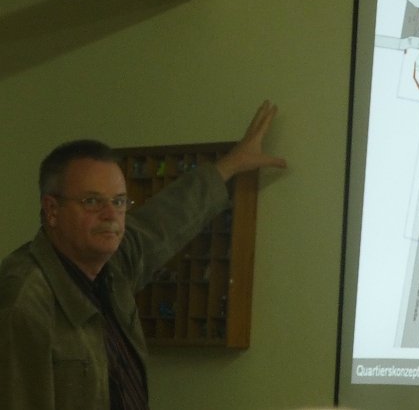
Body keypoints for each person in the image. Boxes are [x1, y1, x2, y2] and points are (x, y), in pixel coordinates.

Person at [0, 101, 286, 410]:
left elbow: (165, 222)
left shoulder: (113, 266)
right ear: (52, 209)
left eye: (119, 201)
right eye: (92, 201)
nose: (110, 215)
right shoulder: (25, 298)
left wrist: (230, 165)